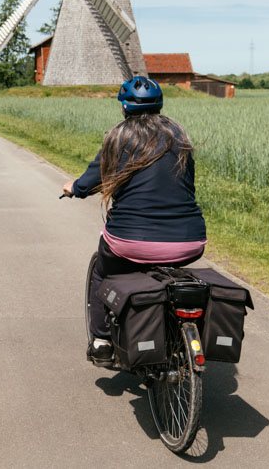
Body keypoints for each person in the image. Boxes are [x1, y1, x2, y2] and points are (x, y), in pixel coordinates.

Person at [62, 76, 206, 366]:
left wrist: (74, 188)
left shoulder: (119, 137)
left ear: (124, 107)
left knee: (104, 273)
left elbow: (92, 181)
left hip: (130, 240)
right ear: (160, 105)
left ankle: (102, 340)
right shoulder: (179, 136)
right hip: (190, 240)